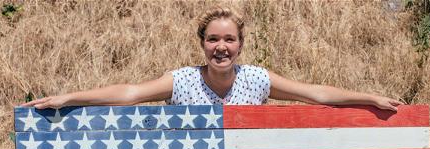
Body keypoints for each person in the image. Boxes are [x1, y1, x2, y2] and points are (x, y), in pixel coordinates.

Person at [22, 7, 404, 111]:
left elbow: (316, 94)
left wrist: (369, 98)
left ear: (240, 44)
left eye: (229, 39)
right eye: (213, 39)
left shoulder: (256, 79)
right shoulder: (183, 79)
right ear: (202, 44)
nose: (221, 47)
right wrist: (67, 98)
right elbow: (130, 93)